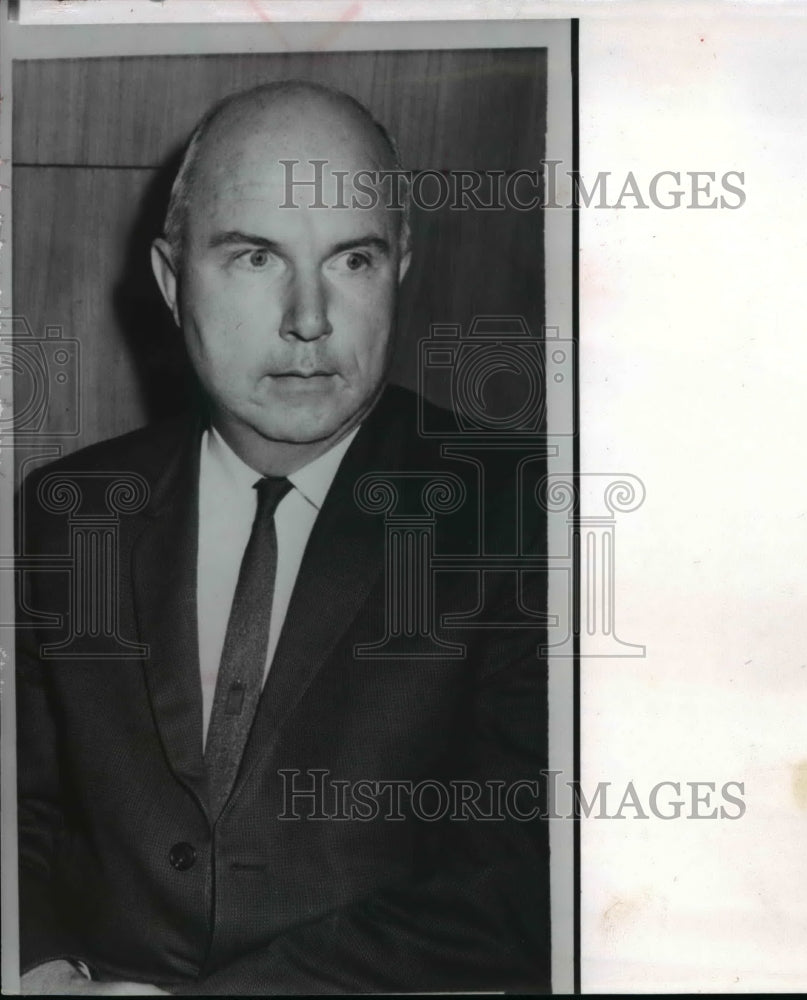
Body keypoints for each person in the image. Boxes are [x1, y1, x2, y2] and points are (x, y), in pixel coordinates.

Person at [16, 81, 549, 994]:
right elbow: (21, 817)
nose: (309, 318)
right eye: (256, 257)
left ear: (402, 267)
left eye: (351, 260)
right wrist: (36, 969)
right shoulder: (70, 509)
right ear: (171, 277)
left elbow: (520, 881)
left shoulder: (522, 512)